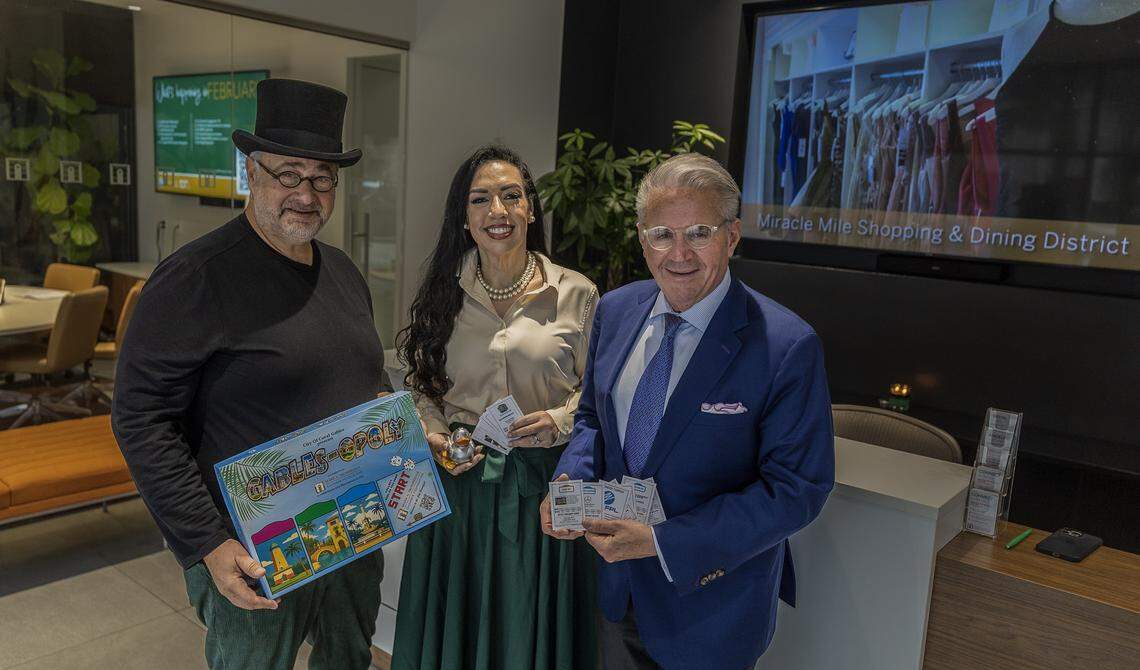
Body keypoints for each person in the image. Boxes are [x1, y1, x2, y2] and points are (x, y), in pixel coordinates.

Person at [112, 78, 390, 670]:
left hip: (351, 528)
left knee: (348, 659)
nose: (306, 195)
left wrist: (402, 431)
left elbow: (365, 380)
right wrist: (207, 542)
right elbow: (141, 418)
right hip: (252, 547)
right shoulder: (195, 277)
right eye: (288, 174)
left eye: (321, 179)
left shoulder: (342, 272)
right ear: (251, 172)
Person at [542, 153, 835, 670]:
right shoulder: (615, 310)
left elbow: (797, 490)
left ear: (732, 235)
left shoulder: (787, 345)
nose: (678, 253)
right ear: (642, 239)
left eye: (699, 233)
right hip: (617, 592)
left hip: (711, 611)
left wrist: (663, 543)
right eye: (662, 234)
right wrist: (571, 480)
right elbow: (591, 418)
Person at [392, 145, 599, 670]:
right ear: (464, 218)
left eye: (511, 195)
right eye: (480, 199)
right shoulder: (442, 291)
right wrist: (434, 431)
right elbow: (422, 386)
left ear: (530, 208)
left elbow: (599, 393)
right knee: (457, 627)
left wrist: (558, 421)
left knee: (528, 624)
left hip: (543, 488)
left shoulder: (577, 293)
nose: (497, 211)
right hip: (459, 484)